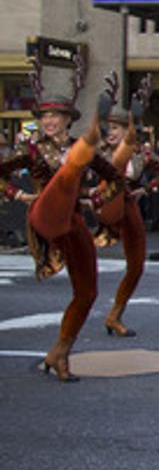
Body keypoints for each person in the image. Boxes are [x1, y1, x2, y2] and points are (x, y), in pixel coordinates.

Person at [0, 75, 122, 380]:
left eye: (55, 115)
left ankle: (60, 352)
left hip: (72, 220)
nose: (49, 120)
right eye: (45, 116)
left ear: (68, 120)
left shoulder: (84, 149)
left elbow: (116, 179)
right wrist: (19, 194)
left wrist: (92, 198)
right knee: (65, 177)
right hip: (44, 215)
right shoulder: (31, 150)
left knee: (88, 292)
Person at [91, 81, 159, 338]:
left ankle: (114, 315)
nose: (112, 132)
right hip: (105, 204)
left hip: (128, 206)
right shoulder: (98, 152)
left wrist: (146, 189)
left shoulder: (140, 155)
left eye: (117, 128)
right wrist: (90, 193)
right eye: (109, 128)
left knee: (136, 266)